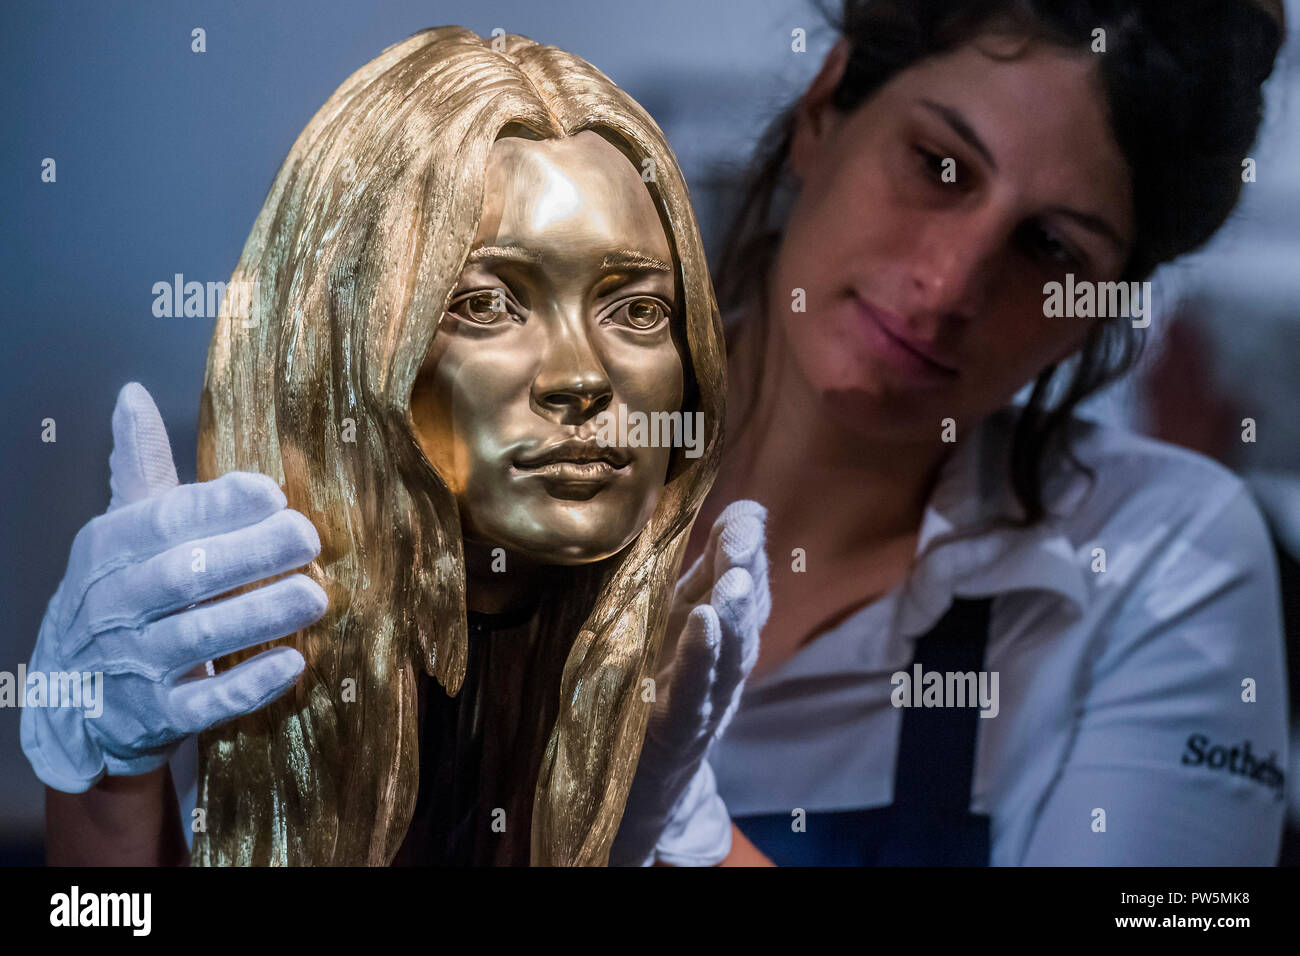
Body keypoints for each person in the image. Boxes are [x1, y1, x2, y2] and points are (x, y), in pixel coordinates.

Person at [22, 27, 766, 868]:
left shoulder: (643, 693)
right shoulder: (268, 691)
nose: (580, 378)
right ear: (351, 342)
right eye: (488, 305)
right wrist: (106, 772)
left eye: (636, 309)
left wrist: (649, 829)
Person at [666, 0, 1287, 865]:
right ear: (825, 105)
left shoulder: (1162, 560)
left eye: (1049, 247)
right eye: (941, 167)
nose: (948, 284)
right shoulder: (524, 452)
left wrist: (671, 822)